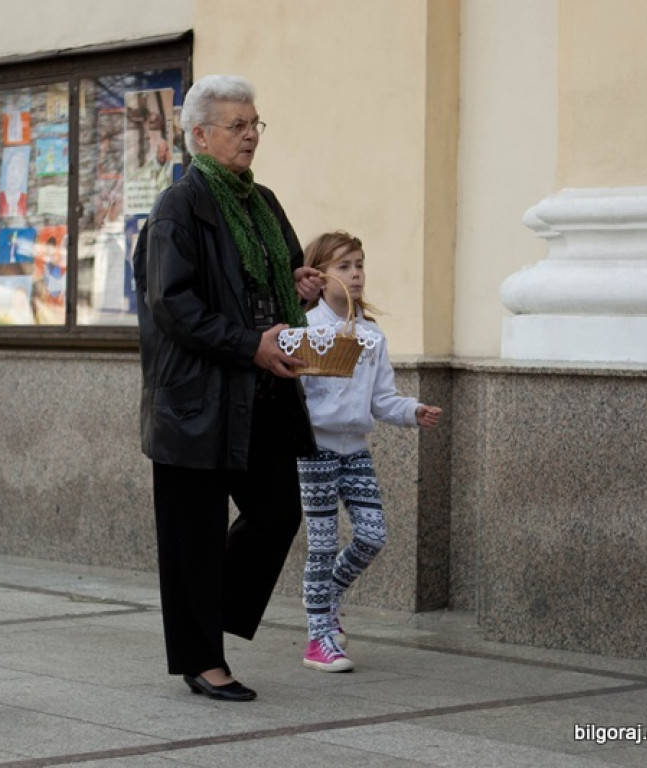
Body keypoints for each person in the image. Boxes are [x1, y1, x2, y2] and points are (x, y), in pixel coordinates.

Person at [133, 74, 325, 702]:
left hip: (261, 391)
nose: (250, 136)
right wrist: (250, 343)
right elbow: (174, 306)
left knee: (277, 512)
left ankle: (203, 614)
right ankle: (202, 658)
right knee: (194, 530)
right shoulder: (178, 208)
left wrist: (298, 288)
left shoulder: (262, 202)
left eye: (254, 124)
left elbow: (267, 281)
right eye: (237, 126)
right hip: (196, 398)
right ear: (199, 136)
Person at [295, 230, 443, 673]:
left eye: (359, 265)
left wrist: (413, 410)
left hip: (355, 450)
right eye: (344, 266)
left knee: (373, 535)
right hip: (315, 451)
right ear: (319, 276)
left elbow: (382, 400)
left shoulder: (371, 336)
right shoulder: (306, 327)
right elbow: (295, 394)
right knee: (322, 544)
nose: (355, 274)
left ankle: (328, 597)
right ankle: (318, 635)